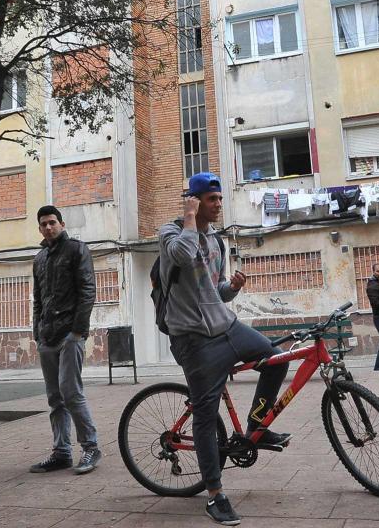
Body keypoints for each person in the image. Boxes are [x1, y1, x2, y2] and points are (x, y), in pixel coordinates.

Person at [160, 172, 290, 526]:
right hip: (192, 337)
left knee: (276, 361)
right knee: (205, 414)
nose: (218, 204)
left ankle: (255, 428)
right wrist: (188, 218)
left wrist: (230, 289)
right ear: (194, 201)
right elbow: (184, 257)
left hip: (226, 326)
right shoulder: (171, 233)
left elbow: (212, 290)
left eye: (219, 198)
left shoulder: (216, 240)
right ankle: (215, 495)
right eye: (211, 199)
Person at [29, 205, 101, 476]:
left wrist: (78, 331)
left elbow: (87, 290)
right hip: (47, 337)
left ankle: (91, 447)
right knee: (54, 398)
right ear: (39, 229)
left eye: (52, 222)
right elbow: (38, 299)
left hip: (70, 335)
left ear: (61, 223)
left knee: (71, 392)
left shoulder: (76, 250)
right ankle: (61, 452)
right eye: (43, 224)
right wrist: (38, 332)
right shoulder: (39, 259)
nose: (48, 227)